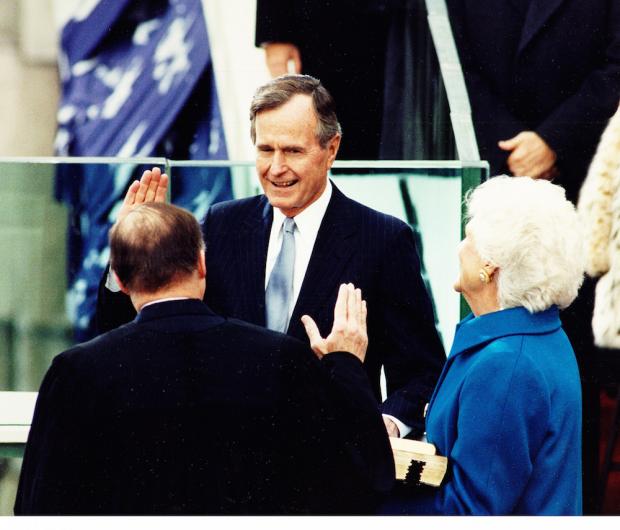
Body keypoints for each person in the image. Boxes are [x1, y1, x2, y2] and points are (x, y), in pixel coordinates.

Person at [97, 74, 445, 440]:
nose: (276, 168)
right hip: (227, 464)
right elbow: (130, 329)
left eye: (293, 151)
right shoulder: (222, 224)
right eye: (266, 150)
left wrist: (385, 425)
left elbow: (423, 374)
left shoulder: (383, 240)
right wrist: (133, 252)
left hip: (323, 468)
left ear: (332, 148)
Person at [14, 202, 394, 515]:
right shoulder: (280, 358)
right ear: (201, 264)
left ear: (124, 281)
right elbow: (361, 480)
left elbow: (38, 509)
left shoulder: (76, 372)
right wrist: (345, 363)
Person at [383, 176, 584, 515]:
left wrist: (362, 503)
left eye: (470, 237)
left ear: (490, 266)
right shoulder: (537, 338)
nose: (461, 247)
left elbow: (471, 511)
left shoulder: (505, 365)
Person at [446, 0, 620, 204]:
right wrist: (509, 146)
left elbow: (614, 67)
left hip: (584, 175)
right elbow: (452, 60)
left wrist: (554, 139)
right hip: (486, 170)